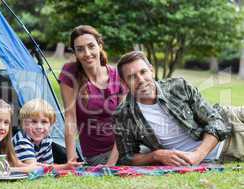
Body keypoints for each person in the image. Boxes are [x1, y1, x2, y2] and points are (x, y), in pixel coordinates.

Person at [113, 51, 244, 166]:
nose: (140, 80)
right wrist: (156, 155)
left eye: (143, 72)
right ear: (124, 83)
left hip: (230, 127)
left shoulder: (178, 86)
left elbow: (216, 121)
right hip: (225, 150)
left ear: (151, 71)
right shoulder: (123, 114)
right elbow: (126, 157)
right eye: (132, 77)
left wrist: (197, 156)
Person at [59, 25, 126, 166]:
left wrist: (112, 163)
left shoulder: (118, 75)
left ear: (100, 46)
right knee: (157, 156)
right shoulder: (69, 73)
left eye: (91, 46)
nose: (87, 53)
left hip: (123, 148)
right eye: (80, 49)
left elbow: (123, 123)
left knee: (162, 153)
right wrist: (71, 159)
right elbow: (70, 117)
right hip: (98, 155)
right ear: (75, 53)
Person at [13, 98, 83, 169]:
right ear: (23, 124)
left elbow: (48, 165)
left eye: (44, 122)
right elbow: (32, 168)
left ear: (51, 125)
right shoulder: (23, 141)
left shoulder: (46, 140)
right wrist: (64, 167)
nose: (39, 127)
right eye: (34, 122)